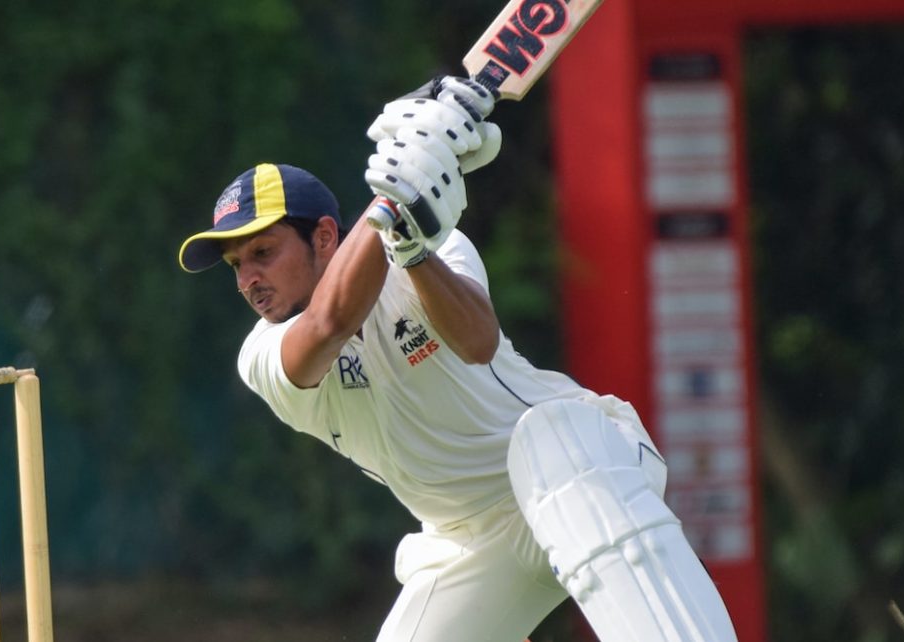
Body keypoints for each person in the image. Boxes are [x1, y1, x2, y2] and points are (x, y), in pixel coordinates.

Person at [178, 77, 737, 642]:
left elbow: (478, 342)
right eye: (236, 265)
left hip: (588, 460)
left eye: (263, 253)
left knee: (549, 437)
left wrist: (412, 246)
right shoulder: (263, 353)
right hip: (469, 540)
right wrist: (391, 202)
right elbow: (331, 322)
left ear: (325, 236)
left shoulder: (434, 247)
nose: (249, 279)